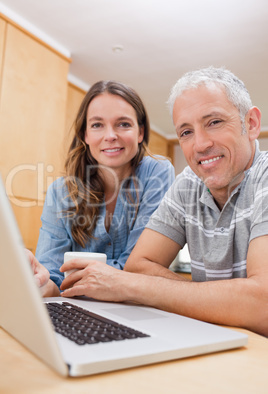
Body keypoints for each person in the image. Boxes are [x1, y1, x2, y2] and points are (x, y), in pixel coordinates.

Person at [57, 67, 268, 337]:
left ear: (250, 124)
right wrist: (217, 300)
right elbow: (138, 266)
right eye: (186, 132)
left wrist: (127, 285)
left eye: (214, 122)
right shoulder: (189, 183)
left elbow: (262, 304)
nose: (200, 144)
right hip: (219, 340)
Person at [30, 80, 175, 297]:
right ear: (85, 135)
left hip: (135, 307)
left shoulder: (157, 173)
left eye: (123, 124)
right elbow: (52, 275)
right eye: (97, 125)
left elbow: (138, 268)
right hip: (77, 310)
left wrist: (70, 282)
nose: (110, 136)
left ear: (141, 133)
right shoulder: (60, 191)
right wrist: (38, 282)